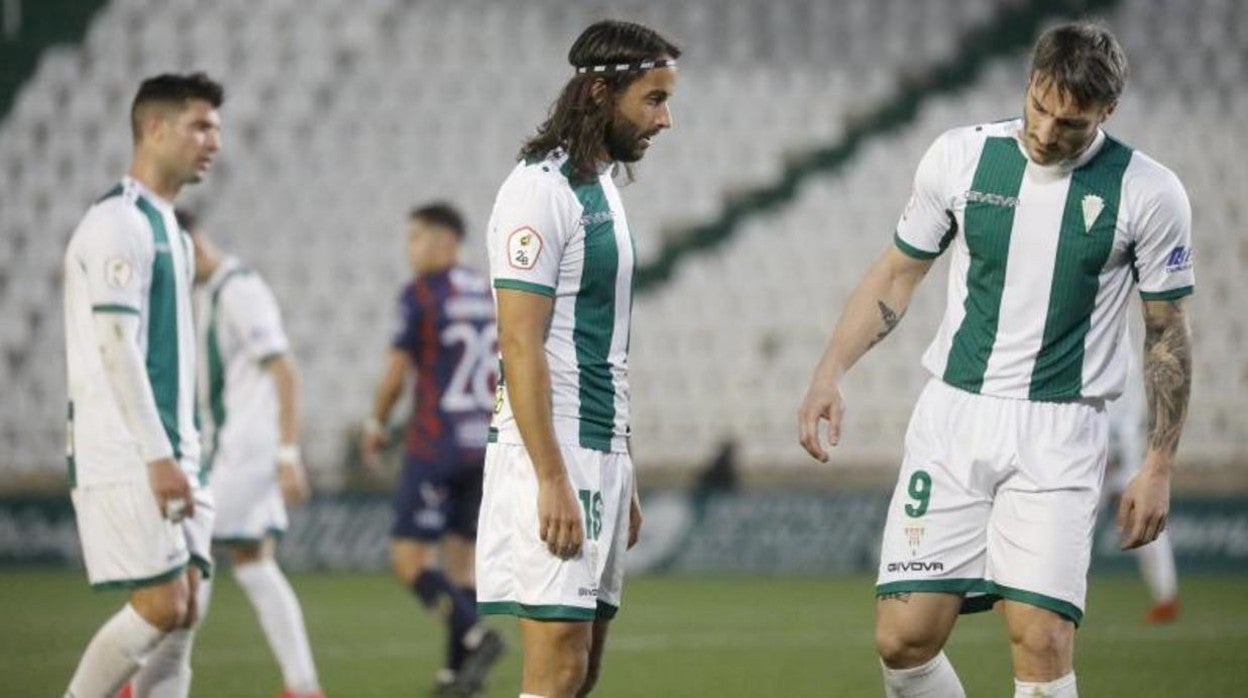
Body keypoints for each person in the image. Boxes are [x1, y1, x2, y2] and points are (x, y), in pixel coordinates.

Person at [797, 22, 1193, 698]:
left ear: (1107, 112)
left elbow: (1166, 334)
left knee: (1041, 639)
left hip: (1060, 432)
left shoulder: (1149, 193)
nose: (1046, 131)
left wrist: (1158, 464)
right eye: (1039, 106)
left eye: (1070, 121)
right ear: (1029, 82)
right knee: (903, 641)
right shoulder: (960, 158)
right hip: (953, 419)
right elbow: (897, 273)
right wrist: (830, 371)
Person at [476, 19, 679, 698]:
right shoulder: (539, 190)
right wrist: (553, 478)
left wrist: (625, 467)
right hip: (553, 447)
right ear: (599, 92)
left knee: (581, 670)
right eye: (653, 99)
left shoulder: (602, 189)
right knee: (557, 667)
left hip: (598, 448)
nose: (666, 119)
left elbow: (602, 345)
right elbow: (519, 344)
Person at [62, 72, 223, 698]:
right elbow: (115, 347)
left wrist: (182, 449)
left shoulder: (172, 233)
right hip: (129, 452)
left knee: (184, 616)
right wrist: (158, 456)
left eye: (216, 129)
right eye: (200, 126)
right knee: (161, 604)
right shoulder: (117, 224)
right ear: (153, 128)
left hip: (176, 449)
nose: (213, 141)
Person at [360, 203, 504, 696]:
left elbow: (397, 373)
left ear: (444, 241)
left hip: (434, 443)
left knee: (409, 562)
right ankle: (455, 676)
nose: (410, 249)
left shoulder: (421, 294)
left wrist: (377, 422)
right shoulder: (489, 292)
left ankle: (475, 632)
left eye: (416, 237)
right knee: (462, 568)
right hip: (482, 443)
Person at [186, 210, 324, 698]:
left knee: (187, 556)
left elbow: (285, 372)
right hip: (237, 447)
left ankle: (146, 683)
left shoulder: (239, 290)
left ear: (195, 247)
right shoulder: (212, 292)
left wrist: (288, 454)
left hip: (245, 451)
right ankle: (304, 687)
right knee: (252, 561)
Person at [1106, 350, 1180, 623]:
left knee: (1146, 525)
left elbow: (1127, 417)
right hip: (1093, 459)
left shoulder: (1122, 360)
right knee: (1073, 529)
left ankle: (1166, 597)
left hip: (1120, 461)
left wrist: (1116, 453)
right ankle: (1054, 595)